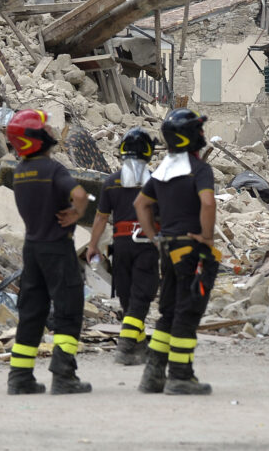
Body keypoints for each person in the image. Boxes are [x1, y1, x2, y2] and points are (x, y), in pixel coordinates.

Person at [5, 108, 91, 395]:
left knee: (32, 312)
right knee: (68, 309)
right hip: (56, 247)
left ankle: (20, 377)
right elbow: (80, 195)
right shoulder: (53, 170)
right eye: (47, 128)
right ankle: (64, 375)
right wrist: (76, 214)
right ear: (35, 137)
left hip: (32, 249)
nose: (52, 131)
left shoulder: (20, 173)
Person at [134, 109, 219, 396]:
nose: (202, 136)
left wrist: (154, 236)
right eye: (198, 131)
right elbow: (208, 203)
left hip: (168, 248)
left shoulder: (162, 172)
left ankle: (153, 376)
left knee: (168, 311)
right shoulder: (199, 170)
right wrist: (206, 238)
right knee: (187, 310)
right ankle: (180, 375)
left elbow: (140, 205)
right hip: (190, 249)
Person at [86, 127, 159, 365]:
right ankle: (126, 346)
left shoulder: (111, 182)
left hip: (121, 246)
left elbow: (100, 218)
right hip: (146, 245)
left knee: (128, 298)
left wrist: (93, 245)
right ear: (148, 152)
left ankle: (138, 347)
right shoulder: (155, 183)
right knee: (141, 297)